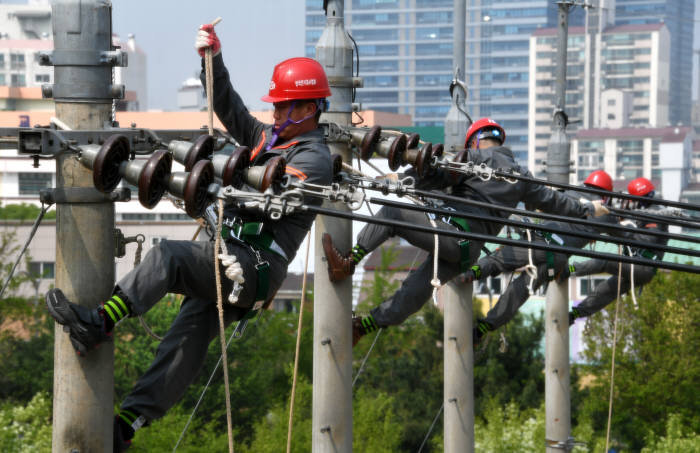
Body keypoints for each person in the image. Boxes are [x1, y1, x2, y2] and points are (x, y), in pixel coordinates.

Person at [45, 23, 333, 452]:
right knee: (185, 341)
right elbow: (230, 108)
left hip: (252, 267)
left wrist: (216, 181)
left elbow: (268, 194)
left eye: (284, 109)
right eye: (275, 109)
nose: (274, 117)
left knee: (169, 258)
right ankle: (126, 426)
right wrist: (210, 60)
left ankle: (99, 324)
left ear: (309, 109)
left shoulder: (314, 158)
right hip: (230, 257)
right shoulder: (269, 142)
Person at [322, 118, 610, 346]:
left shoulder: (475, 158)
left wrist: (402, 180)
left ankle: (348, 263)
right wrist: (588, 210)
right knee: (414, 291)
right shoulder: (523, 177)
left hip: (451, 231)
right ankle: (363, 327)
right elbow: (556, 203)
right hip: (467, 252)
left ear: (474, 140)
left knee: (392, 212)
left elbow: (440, 174)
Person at [468, 170, 624, 346]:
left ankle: (472, 273)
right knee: (519, 292)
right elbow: (625, 235)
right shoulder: (606, 214)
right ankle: (483, 328)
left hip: (540, 241)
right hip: (557, 259)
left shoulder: (566, 194)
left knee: (499, 259)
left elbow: (537, 203)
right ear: (606, 194)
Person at [568, 177, 667, 324]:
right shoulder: (645, 212)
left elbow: (645, 240)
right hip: (635, 264)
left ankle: (569, 270)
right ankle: (575, 314)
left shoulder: (656, 214)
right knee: (606, 290)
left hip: (643, 266)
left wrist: (626, 225)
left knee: (605, 261)